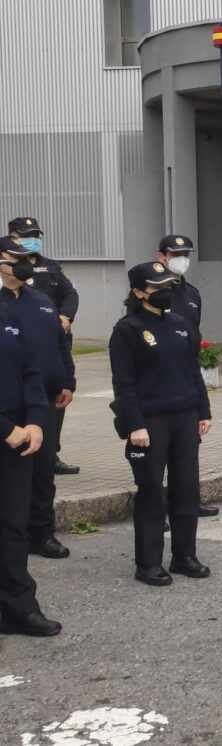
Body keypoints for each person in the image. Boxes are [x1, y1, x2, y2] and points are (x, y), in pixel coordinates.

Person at [109, 261, 212, 585]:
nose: (166, 292)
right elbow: (123, 384)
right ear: (139, 292)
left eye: (168, 285)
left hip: (184, 417)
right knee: (152, 491)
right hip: (150, 422)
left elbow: (193, 372)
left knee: (186, 489)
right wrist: (134, 425)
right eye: (157, 287)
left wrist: (203, 412)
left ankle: (184, 556)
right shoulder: (127, 330)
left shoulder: (180, 324)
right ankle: (148, 563)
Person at [0, 238, 73, 561]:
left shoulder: (41, 300)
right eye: (16, 258)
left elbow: (61, 345)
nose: (24, 263)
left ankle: (41, 533)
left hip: (43, 401)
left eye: (27, 257)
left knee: (43, 472)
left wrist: (67, 381)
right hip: (6, 404)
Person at [0, 273, 60, 637]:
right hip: (8, 432)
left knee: (12, 528)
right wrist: (5, 429)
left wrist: (37, 420)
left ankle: (18, 609)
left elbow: (31, 370)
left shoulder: (9, 312)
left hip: (20, 437)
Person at [8, 217, 80, 476]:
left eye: (36, 235)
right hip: (19, 356)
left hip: (50, 347)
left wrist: (65, 316)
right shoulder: (10, 273)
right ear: (12, 236)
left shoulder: (50, 267)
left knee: (52, 409)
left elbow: (70, 294)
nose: (33, 239)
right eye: (27, 235)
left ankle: (52, 452)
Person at [154, 234, 219, 517]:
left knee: (189, 447)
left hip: (188, 377)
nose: (182, 259)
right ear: (162, 256)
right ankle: (157, 508)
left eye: (186, 254)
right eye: (175, 253)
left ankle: (188, 501)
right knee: (157, 454)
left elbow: (195, 334)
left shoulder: (191, 294)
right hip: (158, 380)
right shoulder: (153, 290)